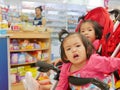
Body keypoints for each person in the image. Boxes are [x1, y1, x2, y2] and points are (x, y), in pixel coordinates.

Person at [55, 30, 120, 90]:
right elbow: (61, 85)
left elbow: (110, 63)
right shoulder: (66, 66)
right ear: (65, 56)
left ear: (87, 49)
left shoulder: (93, 60)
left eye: (77, 46)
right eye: (68, 49)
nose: (74, 50)